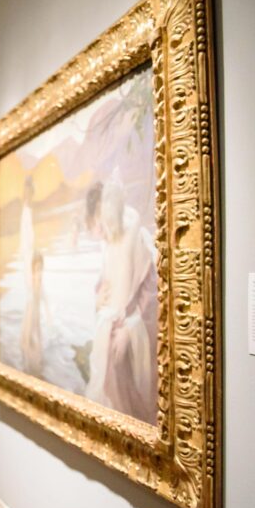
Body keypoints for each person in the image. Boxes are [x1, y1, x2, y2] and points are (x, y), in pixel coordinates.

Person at [85, 180, 158, 424]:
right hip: (109, 326)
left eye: (101, 217)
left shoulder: (136, 238)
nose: (99, 226)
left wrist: (129, 329)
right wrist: (99, 297)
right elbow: (106, 281)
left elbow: (149, 292)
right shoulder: (108, 241)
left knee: (123, 396)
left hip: (129, 329)